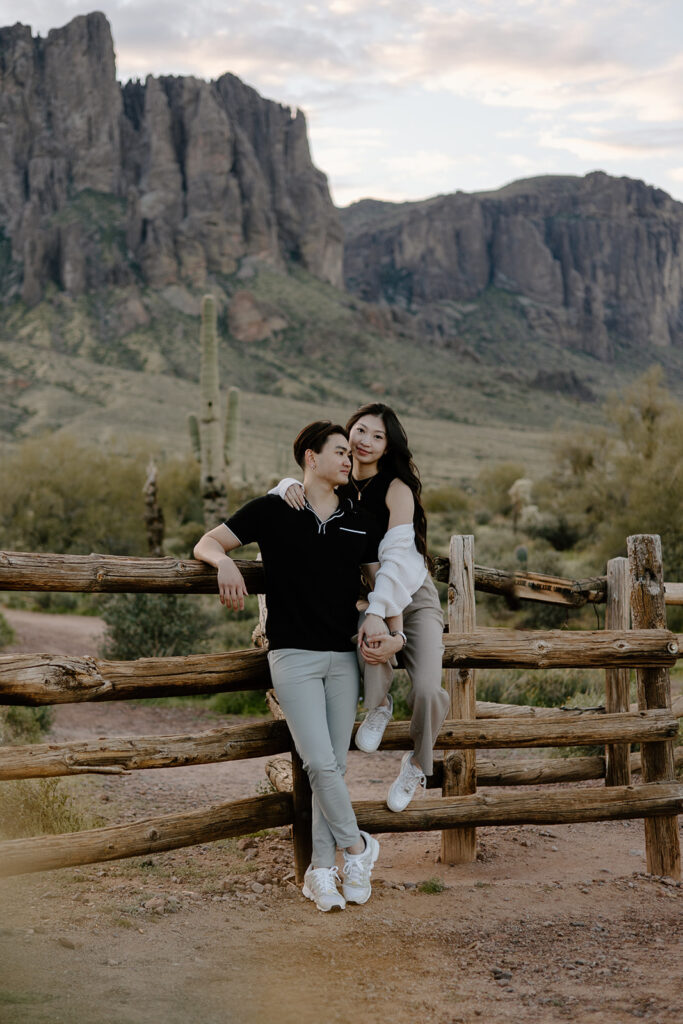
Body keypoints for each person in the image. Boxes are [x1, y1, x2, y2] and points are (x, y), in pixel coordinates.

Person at [194, 421, 403, 913]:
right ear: (310, 458)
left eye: (350, 455)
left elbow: (382, 584)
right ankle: (359, 848)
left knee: (334, 765)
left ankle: (321, 873)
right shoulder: (271, 510)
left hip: (343, 658)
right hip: (292, 657)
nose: (349, 460)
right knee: (318, 763)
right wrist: (224, 563)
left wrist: (395, 632)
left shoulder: (360, 520)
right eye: (339, 453)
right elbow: (207, 542)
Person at [270, 403, 450, 813]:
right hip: (366, 593)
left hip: (411, 593)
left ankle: (418, 763)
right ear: (347, 434)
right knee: (366, 640)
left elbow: (396, 556)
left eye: (378, 437)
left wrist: (394, 628)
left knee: (426, 688)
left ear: (388, 448)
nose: (365, 442)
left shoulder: (396, 489)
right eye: (360, 431)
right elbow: (305, 485)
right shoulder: (339, 481)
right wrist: (284, 486)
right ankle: (380, 704)